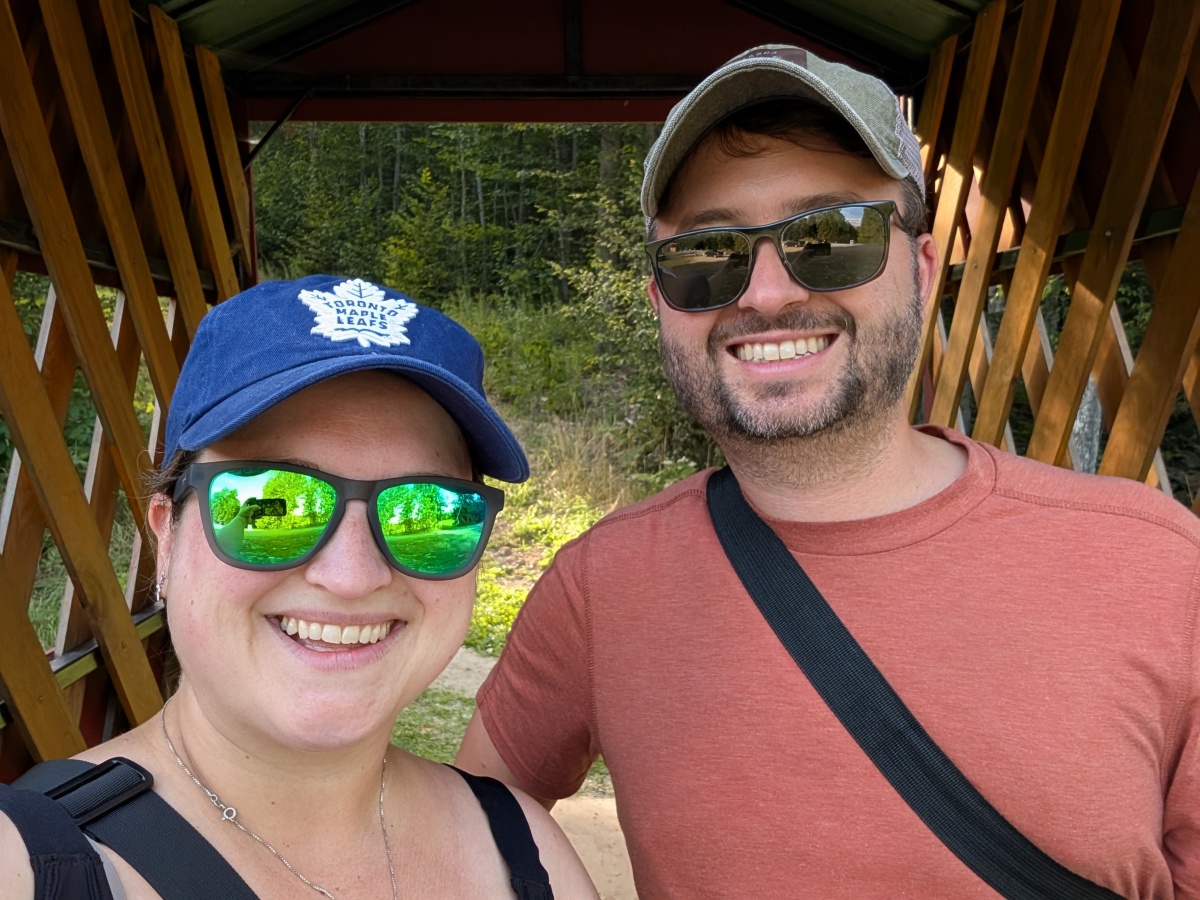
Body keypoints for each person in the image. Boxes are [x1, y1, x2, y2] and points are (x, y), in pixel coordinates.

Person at [455, 45, 1200, 898]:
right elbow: (464, 825)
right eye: (709, 253)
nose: (766, 294)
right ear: (662, 299)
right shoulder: (604, 584)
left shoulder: (1161, 569)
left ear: (921, 271)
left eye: (833, 236)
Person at [0, 275, 598, 899]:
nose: (352, 576)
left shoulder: (530, 854)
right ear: (168, 539)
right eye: (274, 503)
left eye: (429, 509)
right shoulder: (28, 866)